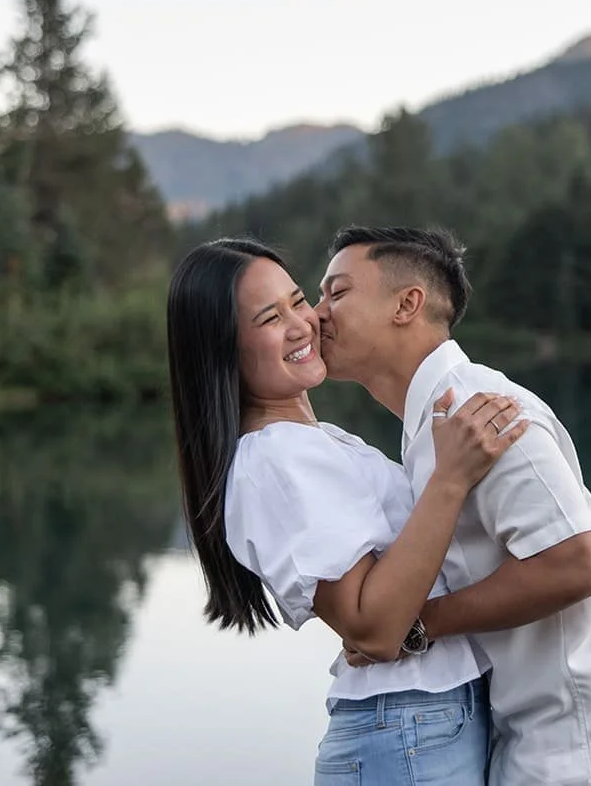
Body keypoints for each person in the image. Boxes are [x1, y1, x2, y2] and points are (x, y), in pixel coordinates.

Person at [315, 225, 591, 786]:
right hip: (537, 718)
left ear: (407, 304)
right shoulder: (432, 427)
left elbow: (576, 564)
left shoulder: (479, 409)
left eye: (337, 292)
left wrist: (417, 626)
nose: (317, 313)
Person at [167, 237, 530, 786]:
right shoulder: (277, 458)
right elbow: (376, 630)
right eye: (270, 318)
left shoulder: (312, 442)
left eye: (297, 300)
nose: (301, 324)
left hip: (421, 726)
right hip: (408, 733)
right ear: (222, 350)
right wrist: (451, 478)